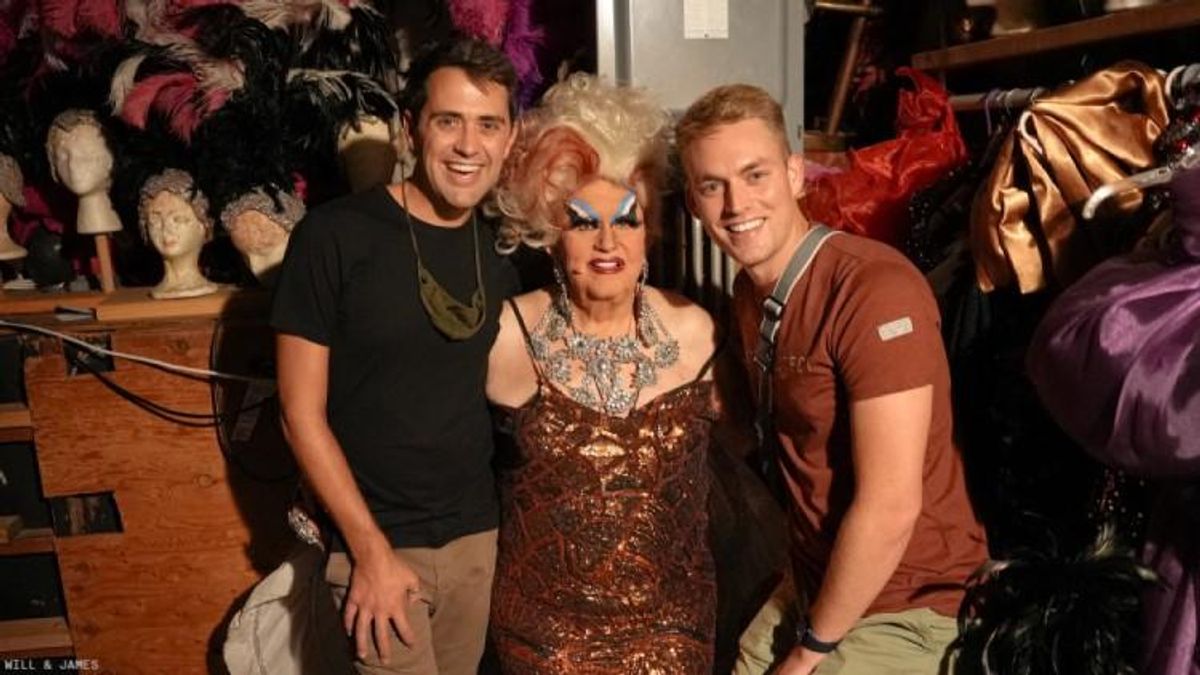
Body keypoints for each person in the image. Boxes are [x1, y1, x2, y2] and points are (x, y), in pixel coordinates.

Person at [676, 83, 988, 675]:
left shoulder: (872, 290)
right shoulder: (750, 293)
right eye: (712, 186)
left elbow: (891, 507)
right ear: (693, 201)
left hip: (909, 602)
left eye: (755, 175)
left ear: (795, 175)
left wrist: (809, 651)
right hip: (815, 578)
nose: (736, 204)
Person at [271, 37, 519, 675]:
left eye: (488, 125)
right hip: (378, 547)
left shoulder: (503, 252)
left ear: (510, 138)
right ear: (412, 129)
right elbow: (299, 415)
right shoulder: (335, 236)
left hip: (477, 544)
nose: (469, 146)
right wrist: (369, 552)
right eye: (449, 121)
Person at [486, 72, 720, 673]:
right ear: (550, 234)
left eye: (628, 220)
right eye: (584, 222)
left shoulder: (698, 332)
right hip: (543, 641)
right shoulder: (507, 334)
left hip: (673, 636)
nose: (608, 241)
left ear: (649, 231)